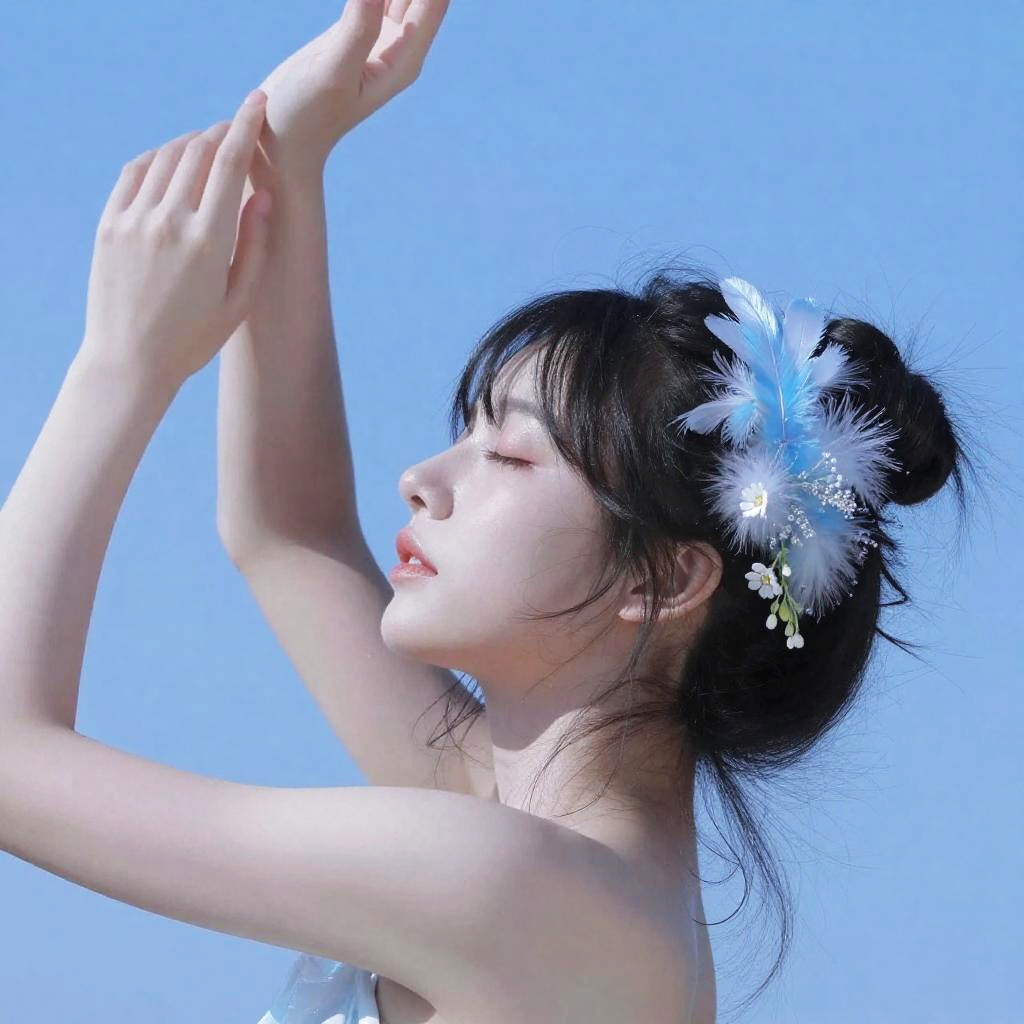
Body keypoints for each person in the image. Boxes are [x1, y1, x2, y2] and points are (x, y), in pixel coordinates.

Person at [0, 2, 973, 1023]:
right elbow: (290, 531)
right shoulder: (552, 860)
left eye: (508, 453)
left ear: (667, 576)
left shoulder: (502, 881)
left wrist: (120, 365)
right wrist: (287, 153)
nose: (422, 478)